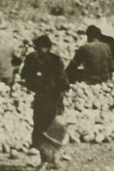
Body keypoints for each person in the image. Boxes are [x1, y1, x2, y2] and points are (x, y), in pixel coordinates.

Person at [21, 34, 69, 171]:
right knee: (48, 128)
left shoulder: (35, 59)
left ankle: (48, 160)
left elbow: (26, 77)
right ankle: (50, 160)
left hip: (47, 98)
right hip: (50, 98)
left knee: (43, 128)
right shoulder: (53, 60)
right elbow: (64, 82)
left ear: (46, 47)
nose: (37, 50)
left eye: (39, 47)